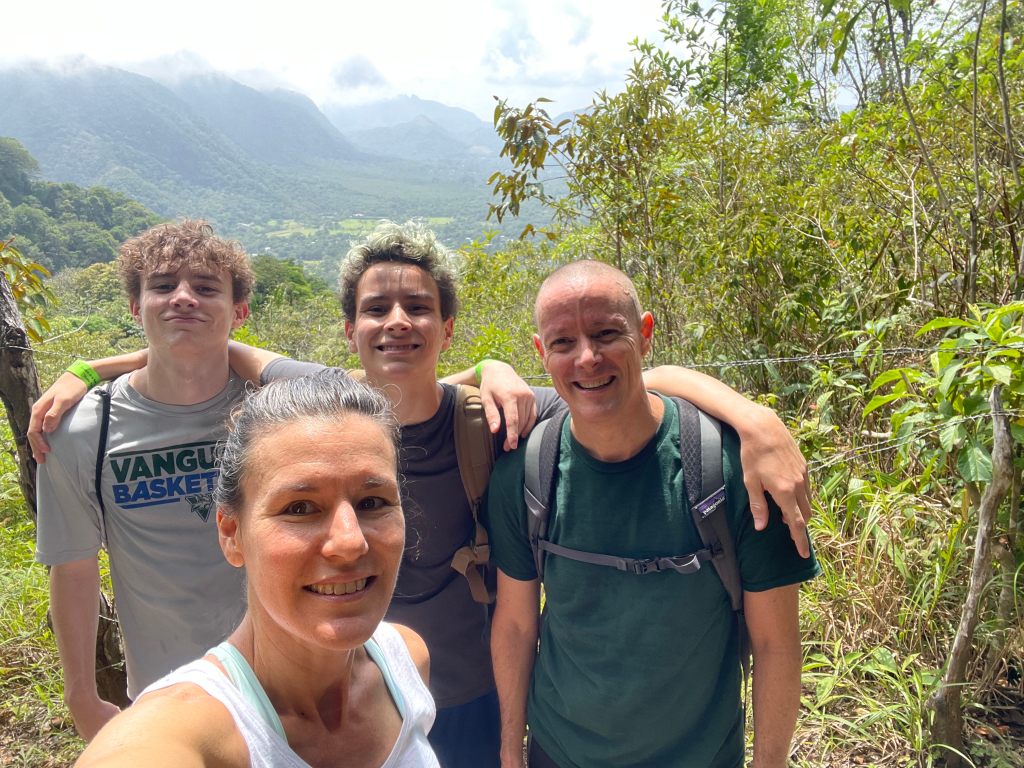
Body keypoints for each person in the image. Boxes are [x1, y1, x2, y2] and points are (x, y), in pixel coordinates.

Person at [30, 222, 812, 766]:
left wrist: (755, 419)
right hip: (296, 696)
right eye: (376, 309)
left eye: (374, 500)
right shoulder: (322, 408)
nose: (397, 323)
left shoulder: (503, 421)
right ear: (348, 332)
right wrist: (88, 369)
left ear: (447, 328)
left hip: (451, 697)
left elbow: (616, 382)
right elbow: (205, 339)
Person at [485, 260, 821, 768]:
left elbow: (777, 643)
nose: (587, 358)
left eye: (606, 334)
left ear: (645, 335)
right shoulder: (526, 471)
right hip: (559, 750)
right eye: (563, 343)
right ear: (540, 354)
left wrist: (769, 762)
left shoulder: (734, 472)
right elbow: (515, 624)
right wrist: (512, 751)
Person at [77, 369, 440, 767]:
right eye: (299, 508)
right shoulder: (186, 732)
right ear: (232, 534)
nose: (350, 542)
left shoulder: (405, 660)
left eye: (373, 502)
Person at [33, 220, 254, 741]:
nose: (182, 298)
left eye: (205, 287)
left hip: (288, 678)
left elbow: (362, 392)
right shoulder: (83, 429)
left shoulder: (269, 408)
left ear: (239, 312)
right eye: (162, 286)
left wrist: (486, 367)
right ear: (136, 307)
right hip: (168, 691)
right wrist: (81, 695)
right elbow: (74, 568)